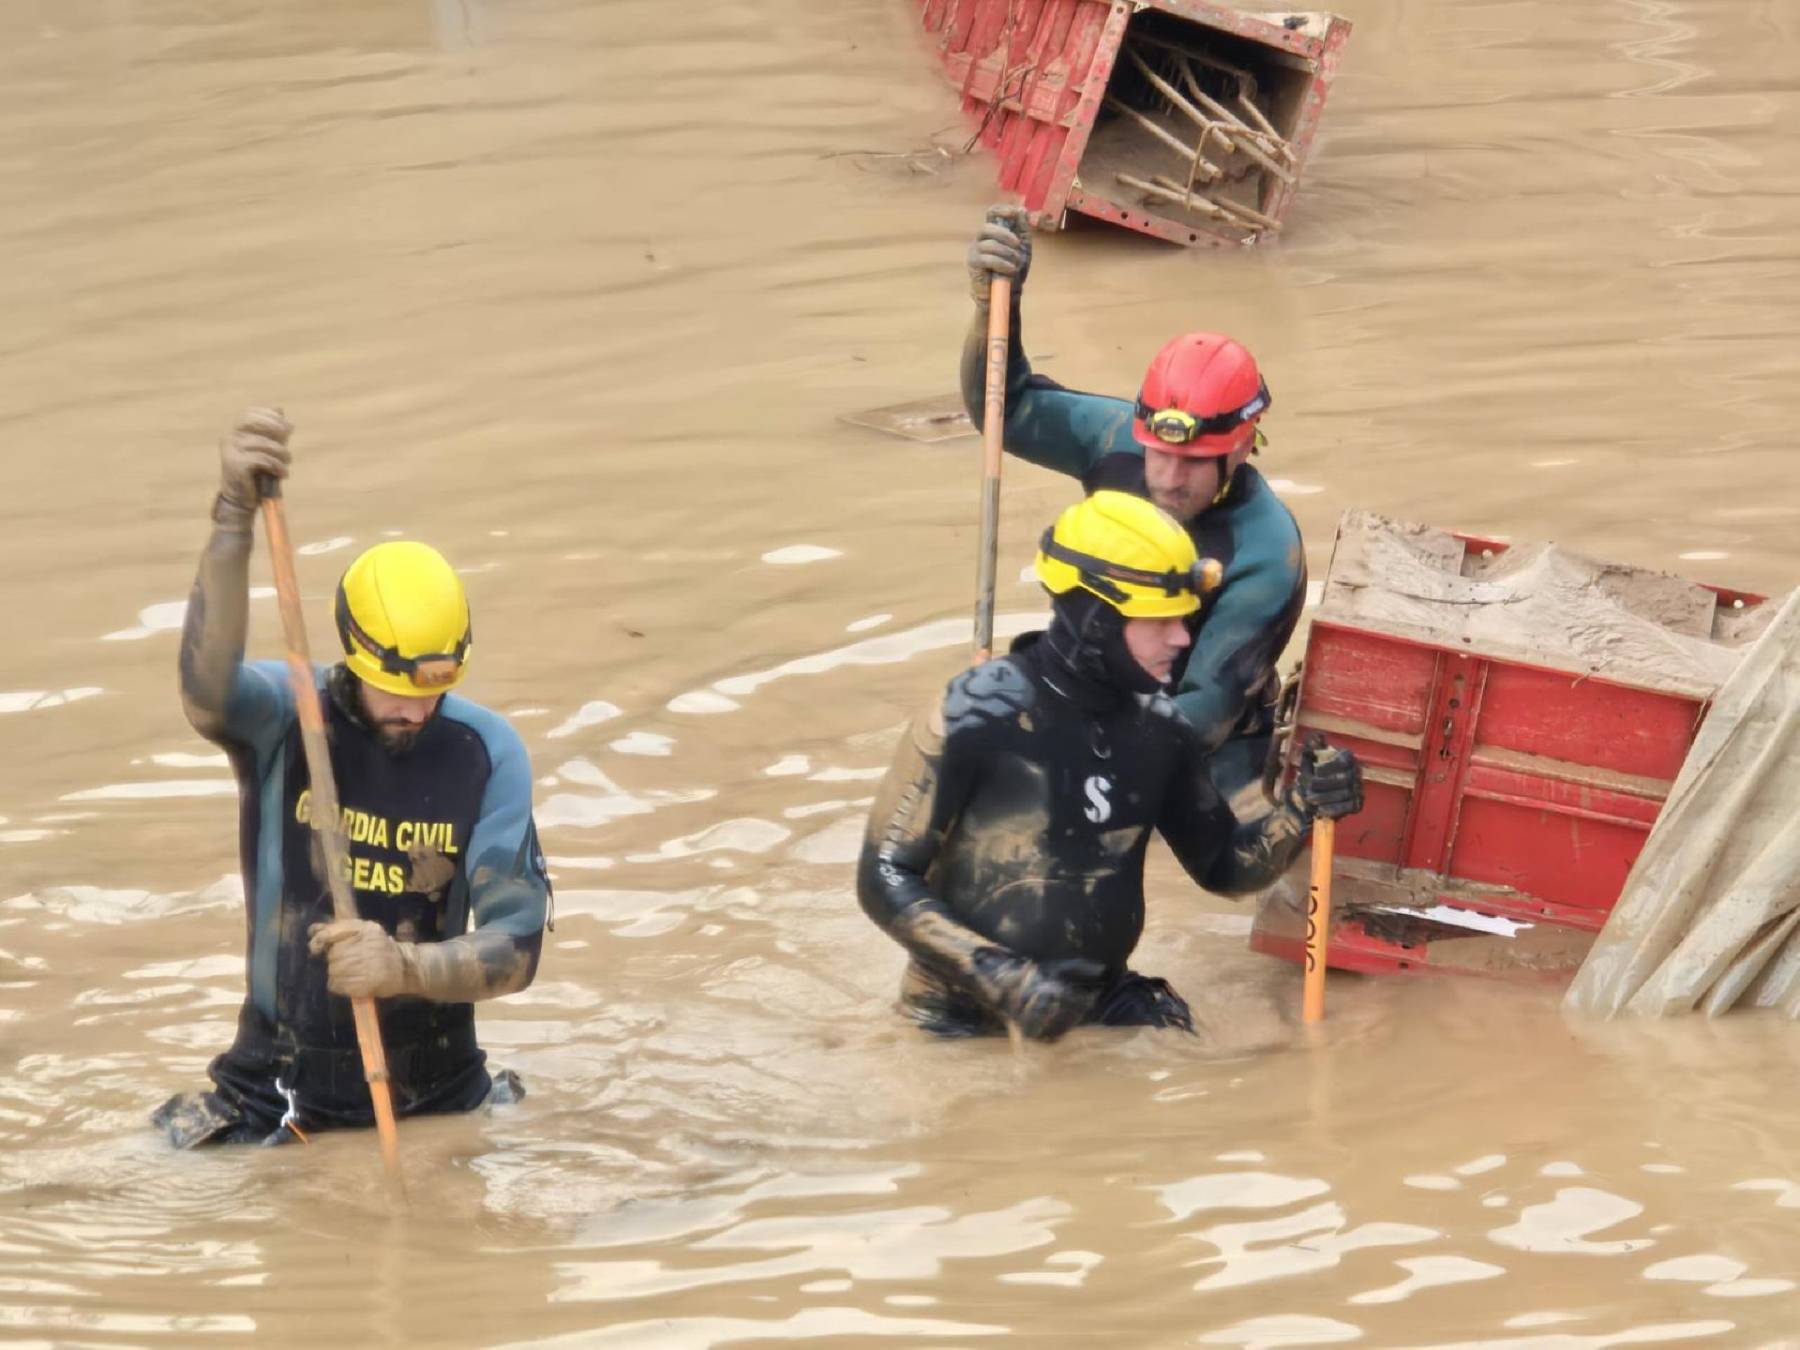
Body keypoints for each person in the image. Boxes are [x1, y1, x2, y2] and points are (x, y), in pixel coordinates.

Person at [152, 408, 551, 1147]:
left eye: (436, 689)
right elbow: (204, 691)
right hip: (272, 1088)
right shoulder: (286, 717)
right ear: (353, 657)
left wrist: (403, 966)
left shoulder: (486, 753)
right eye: (395, 688)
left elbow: (518, 949)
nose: (416, 708)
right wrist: (234, 518)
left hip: (433, 1095)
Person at [856, 491, 1361, 1040]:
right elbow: (884, 875)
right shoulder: (974, 714)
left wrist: (1302, 809)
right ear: (1094, 619)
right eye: (1160, 622)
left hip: (1102, 1003)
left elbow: (1223, 868)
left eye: (1183, 620)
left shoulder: (1160, 730)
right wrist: (999, 977)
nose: (1183, 639)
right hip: (958, 1020)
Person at [962, 204, 1307, 797]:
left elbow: (1202, 713)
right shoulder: (1116, 438)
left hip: (1206, 754)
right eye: (1158, 454)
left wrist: (1057, 755)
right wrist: (995, 306)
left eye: (1194, 463)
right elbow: (1005, 409)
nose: (1168, 480)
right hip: (1097, 701)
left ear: (1243, 446)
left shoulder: (1266, 554)